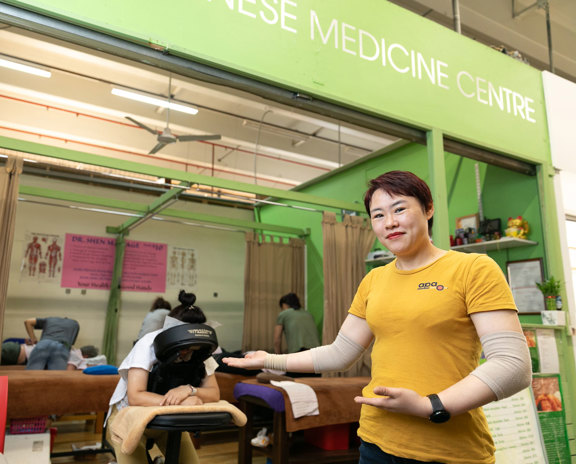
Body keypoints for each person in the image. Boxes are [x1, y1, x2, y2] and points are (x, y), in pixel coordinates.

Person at [224, 170, 532, 464]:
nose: (389, 223)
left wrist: (430, 406)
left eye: (399, 209)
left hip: (448, 449)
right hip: (375, 443)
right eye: (378, 215)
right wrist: (269, 359)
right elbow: (339, 353)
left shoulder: (473, 268)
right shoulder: (373, 280)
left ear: (427, 209)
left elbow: (513, 365)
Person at [107, 290, 220, 464]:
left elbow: (214, 394)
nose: (187, 353)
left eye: (193, 347)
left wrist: (189, 390)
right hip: (129, 419)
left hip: (169, 423)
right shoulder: (148, 344)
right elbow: (136, 396)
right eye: (184, 347)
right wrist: (181, 403)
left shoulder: (201, 351)